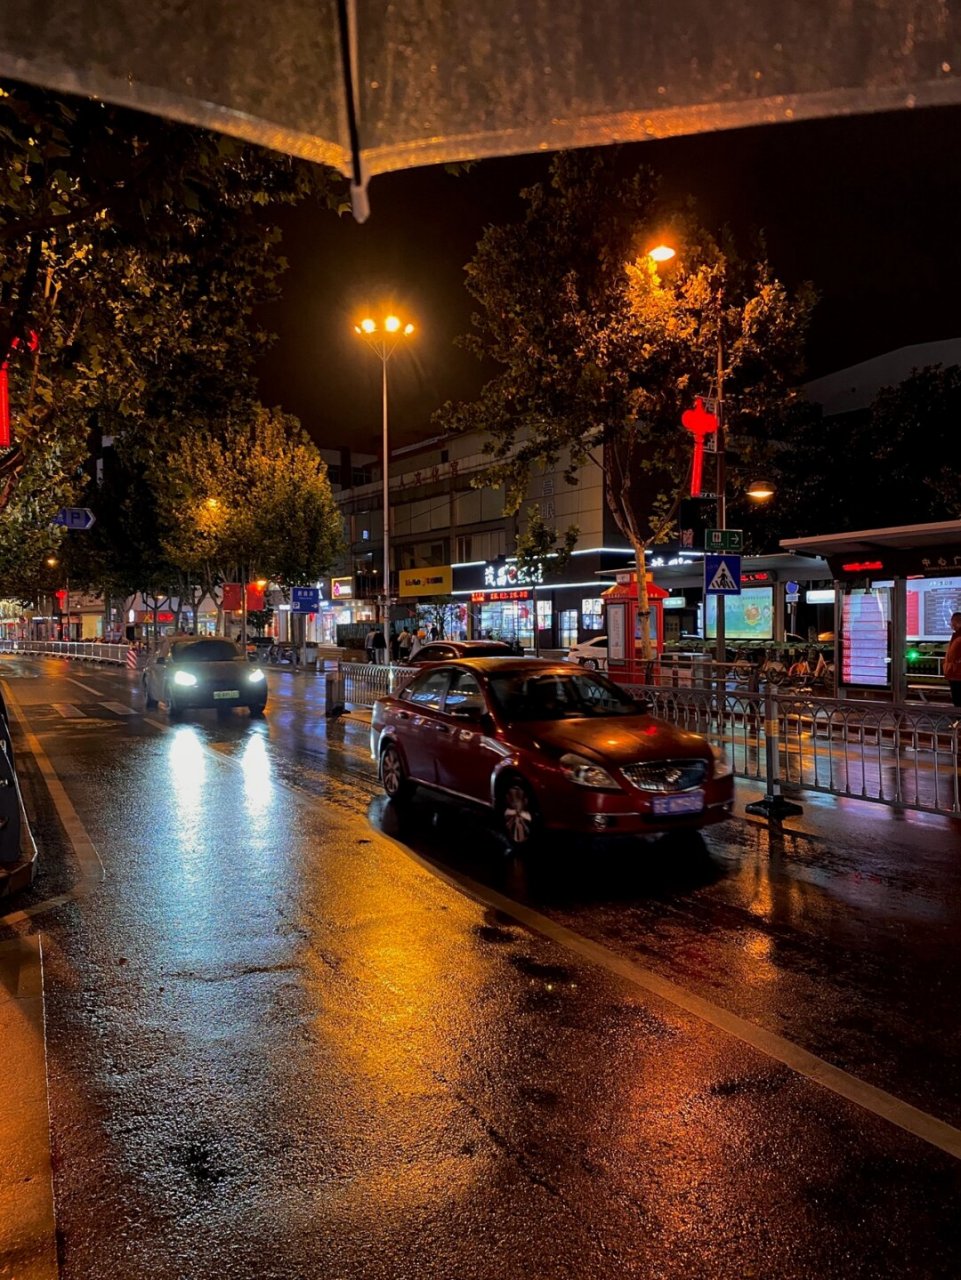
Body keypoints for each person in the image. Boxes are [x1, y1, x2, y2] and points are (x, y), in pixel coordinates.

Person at [945, 611, 961, 716]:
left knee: (958, 699)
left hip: (958, 674)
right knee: (956, 699)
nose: (951, 624)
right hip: (954, 674)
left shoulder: (958, 637)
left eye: (953, 622)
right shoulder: (956, 636)